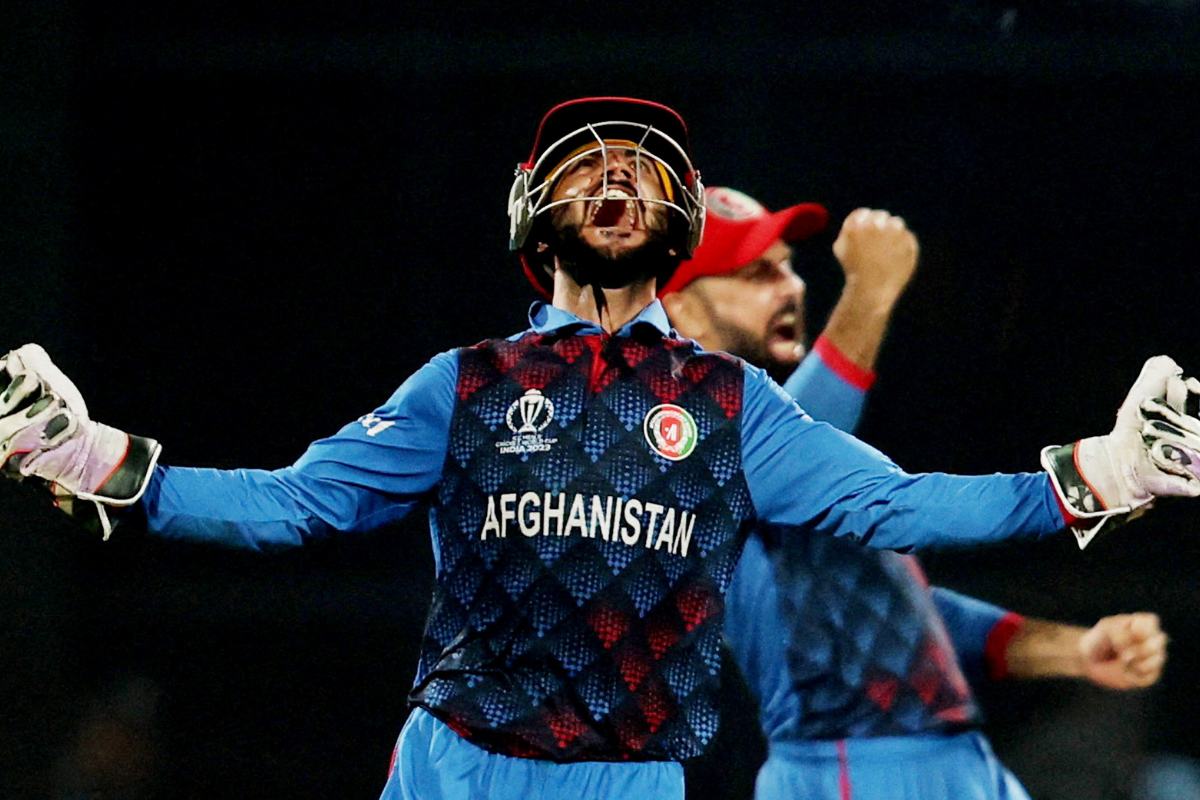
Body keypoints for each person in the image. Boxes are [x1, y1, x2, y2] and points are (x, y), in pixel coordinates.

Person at [0, 97, 1196, 800]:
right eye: (586, 166)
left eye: (640, 167)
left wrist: (1103, 473)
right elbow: (292, 504)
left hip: (624, 781)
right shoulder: (463, 385)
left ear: (676, 219)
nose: (615, 178)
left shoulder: (733, 405)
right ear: (534, 210)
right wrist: (97, 460)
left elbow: (902, 508)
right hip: (450, 767)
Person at [661, 185, 1170, 799]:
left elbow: (908, 614)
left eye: (789, 266)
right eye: (755, 273)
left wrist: (1073, 650)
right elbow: (803, 435)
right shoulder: (675, 441)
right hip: (845, 767)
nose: (791, 286)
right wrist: (869, 294)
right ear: (681, 308)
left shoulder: (801, 462)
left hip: (956, 757)